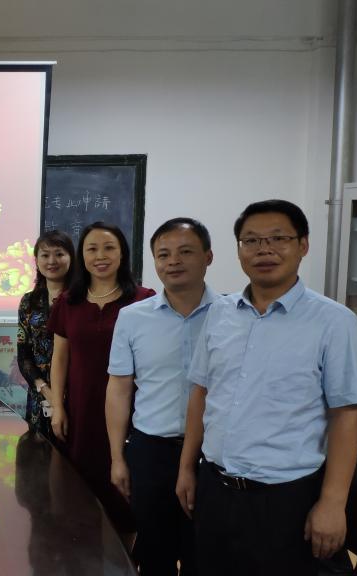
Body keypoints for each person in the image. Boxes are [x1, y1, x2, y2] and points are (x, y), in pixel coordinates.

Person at [176, 200, 357, 576]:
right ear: (239, 250)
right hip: (214, 488)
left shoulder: (333, 321)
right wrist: (186, 468)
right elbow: (201, 393)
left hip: (286, 499)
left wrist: (332, 502)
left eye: (278, 238)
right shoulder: (219, 313)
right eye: (251, 241)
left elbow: (346, 413)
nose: (264, 250)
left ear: (303, 245)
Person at [105, 218, 217, 575]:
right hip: (151, 452)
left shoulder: (232, 315)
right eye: (163, 254)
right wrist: (117, 457)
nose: (173, 261)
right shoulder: (132, 318)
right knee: (154, 554)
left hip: (214, 456)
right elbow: (119, 389)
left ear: (208, 257)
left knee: (206, 554)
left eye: (185, 252)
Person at [47, 221, 154, 533]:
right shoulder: (69, 301)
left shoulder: (144, 300)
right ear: (82, 255)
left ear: (122, 253)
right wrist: (58, 407)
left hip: (130, 412)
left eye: (109, 248)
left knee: (127, 493)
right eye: (92, 249)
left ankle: (127, 553)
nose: (100, 256)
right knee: (82, 495)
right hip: (81, 411)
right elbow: (60, 357)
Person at [17, 230, 75, 435]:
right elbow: (23, 355)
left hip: (76, 396)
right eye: (45, 255)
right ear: (36, 260)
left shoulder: (82, 299)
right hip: (39, 397)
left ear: (71, 258)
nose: (52, 261)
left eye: (59, 254)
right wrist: (46, 391)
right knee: (39, 452)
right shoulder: (29, 302)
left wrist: (59, 400)